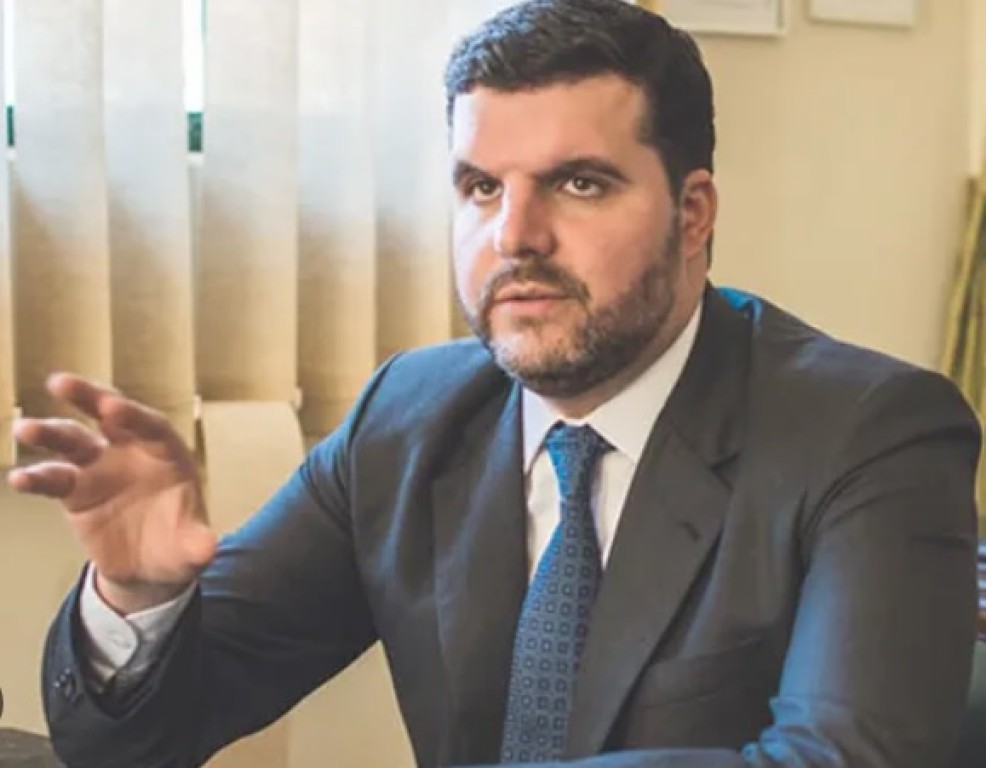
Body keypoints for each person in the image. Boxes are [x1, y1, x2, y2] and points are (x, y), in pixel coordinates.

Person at [9, 1, 981, 766]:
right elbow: (133, 742)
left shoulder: (870, 432)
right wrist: (135, 597)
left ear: (692, 213)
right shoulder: (408, 414)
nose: (513, 236)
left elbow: (840, 759)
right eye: (480, 187)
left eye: (578, 183)